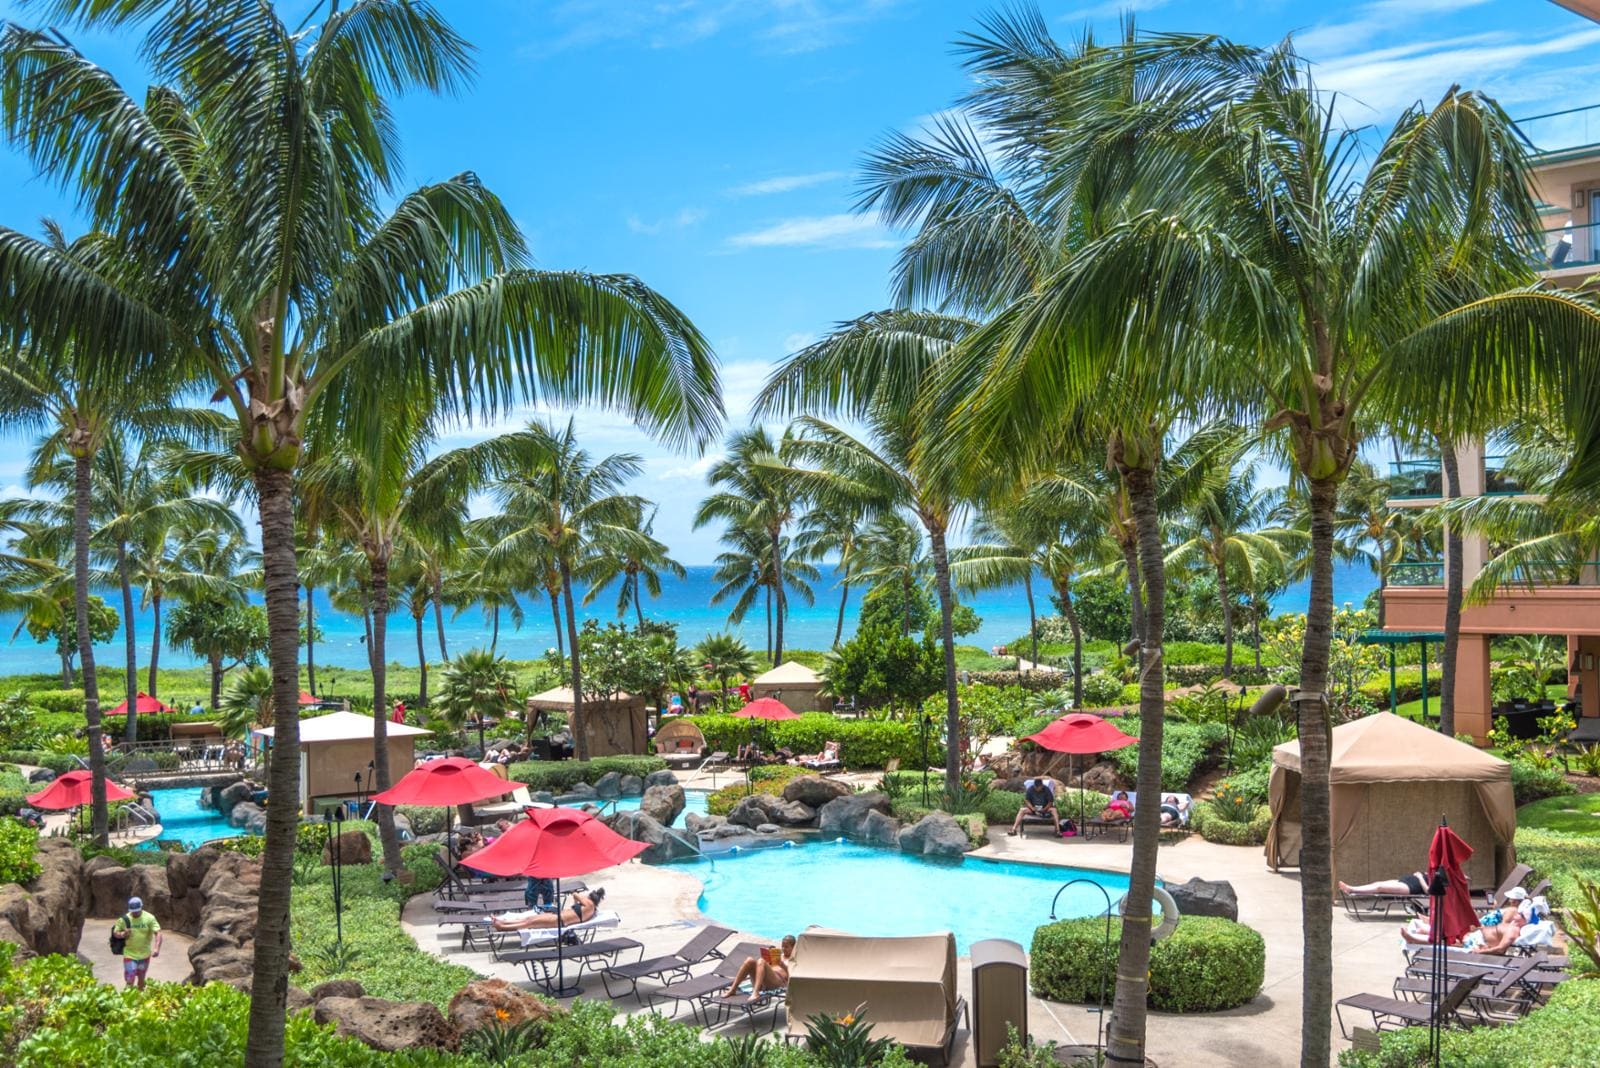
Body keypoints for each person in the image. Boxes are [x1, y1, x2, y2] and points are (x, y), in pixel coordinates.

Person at [723, 934, 796, 1002]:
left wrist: (782, 965)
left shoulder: (795, 960)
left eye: (786, 947)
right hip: (764, 981)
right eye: (782, 946)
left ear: (793, 947)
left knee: (761, 961)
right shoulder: (778, 956)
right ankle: (733, 989)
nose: (783, 949)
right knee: (750, 960)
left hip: (777, 983)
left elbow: (793, 978)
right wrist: (768, 960)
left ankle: (756, 992)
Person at [491, 888, 606, 931]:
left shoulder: (589, 904)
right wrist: (576, 905)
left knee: (529, 923)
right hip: (558, 917)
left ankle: (502, 927)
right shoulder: (590, 909)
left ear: (591, 898)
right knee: (529, 919)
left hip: (559, 920)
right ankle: (503, 922)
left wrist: (577, 902)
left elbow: (575, 894)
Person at [113, 896, 162, 990]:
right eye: (133, 911)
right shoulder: (124, 919)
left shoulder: (149, 918)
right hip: (130, 954)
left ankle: (140, 997)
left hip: (144, 955)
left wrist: (156, 948)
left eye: (137, 910)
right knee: (130, 978)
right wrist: (123, 934)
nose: (135, 913)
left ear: (141, 908)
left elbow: (158, 933)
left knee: (141, 979)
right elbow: (115, 933)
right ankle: (128, 998)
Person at [1340, 872, 1429, 897]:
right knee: (1378, 883)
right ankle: (1352, 887)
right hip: (1405, 881)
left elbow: (1428, 891)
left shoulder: (1440, 877)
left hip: (1411, 887)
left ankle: (1352, 889)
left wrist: (1420, 877)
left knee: (1380, 887)